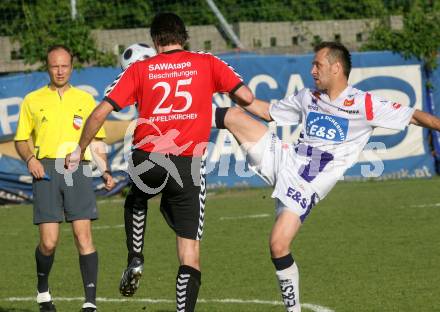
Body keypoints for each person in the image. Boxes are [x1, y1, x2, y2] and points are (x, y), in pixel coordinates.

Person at [213, 41, 440, 312]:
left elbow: (413, 116)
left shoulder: (364, 104)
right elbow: (265, 112)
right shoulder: (309, 97)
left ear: (336, 67)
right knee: (233, 115)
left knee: (278, 244)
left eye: (317, 64)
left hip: (307, 181)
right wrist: (233, 90)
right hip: (285, 160)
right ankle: (171, 119)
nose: (312, 70)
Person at [65, 12, 253, 312]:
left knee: (136, 199)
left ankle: (135, 256)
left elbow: (100, 113)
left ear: (156, 41)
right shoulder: (207, 62)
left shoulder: (140, 69)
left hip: (148, 157)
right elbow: (246, 96)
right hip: (187, 164)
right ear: (185, 37)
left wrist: (78, 150)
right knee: (189, 251)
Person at [14, 45, 115, 312]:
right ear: (47, 67)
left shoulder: (84, 99)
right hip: (45, 170)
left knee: (84, 237)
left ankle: (90, 303)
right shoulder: (32, 100)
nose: (60, 70)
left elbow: (96, 140)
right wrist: (30, 160)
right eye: (54, 66)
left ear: (72, 66)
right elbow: (21, 140)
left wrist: (104, 170)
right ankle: (43, 291)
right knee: (48, 242)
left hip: (77, 169)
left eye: (64, 66)